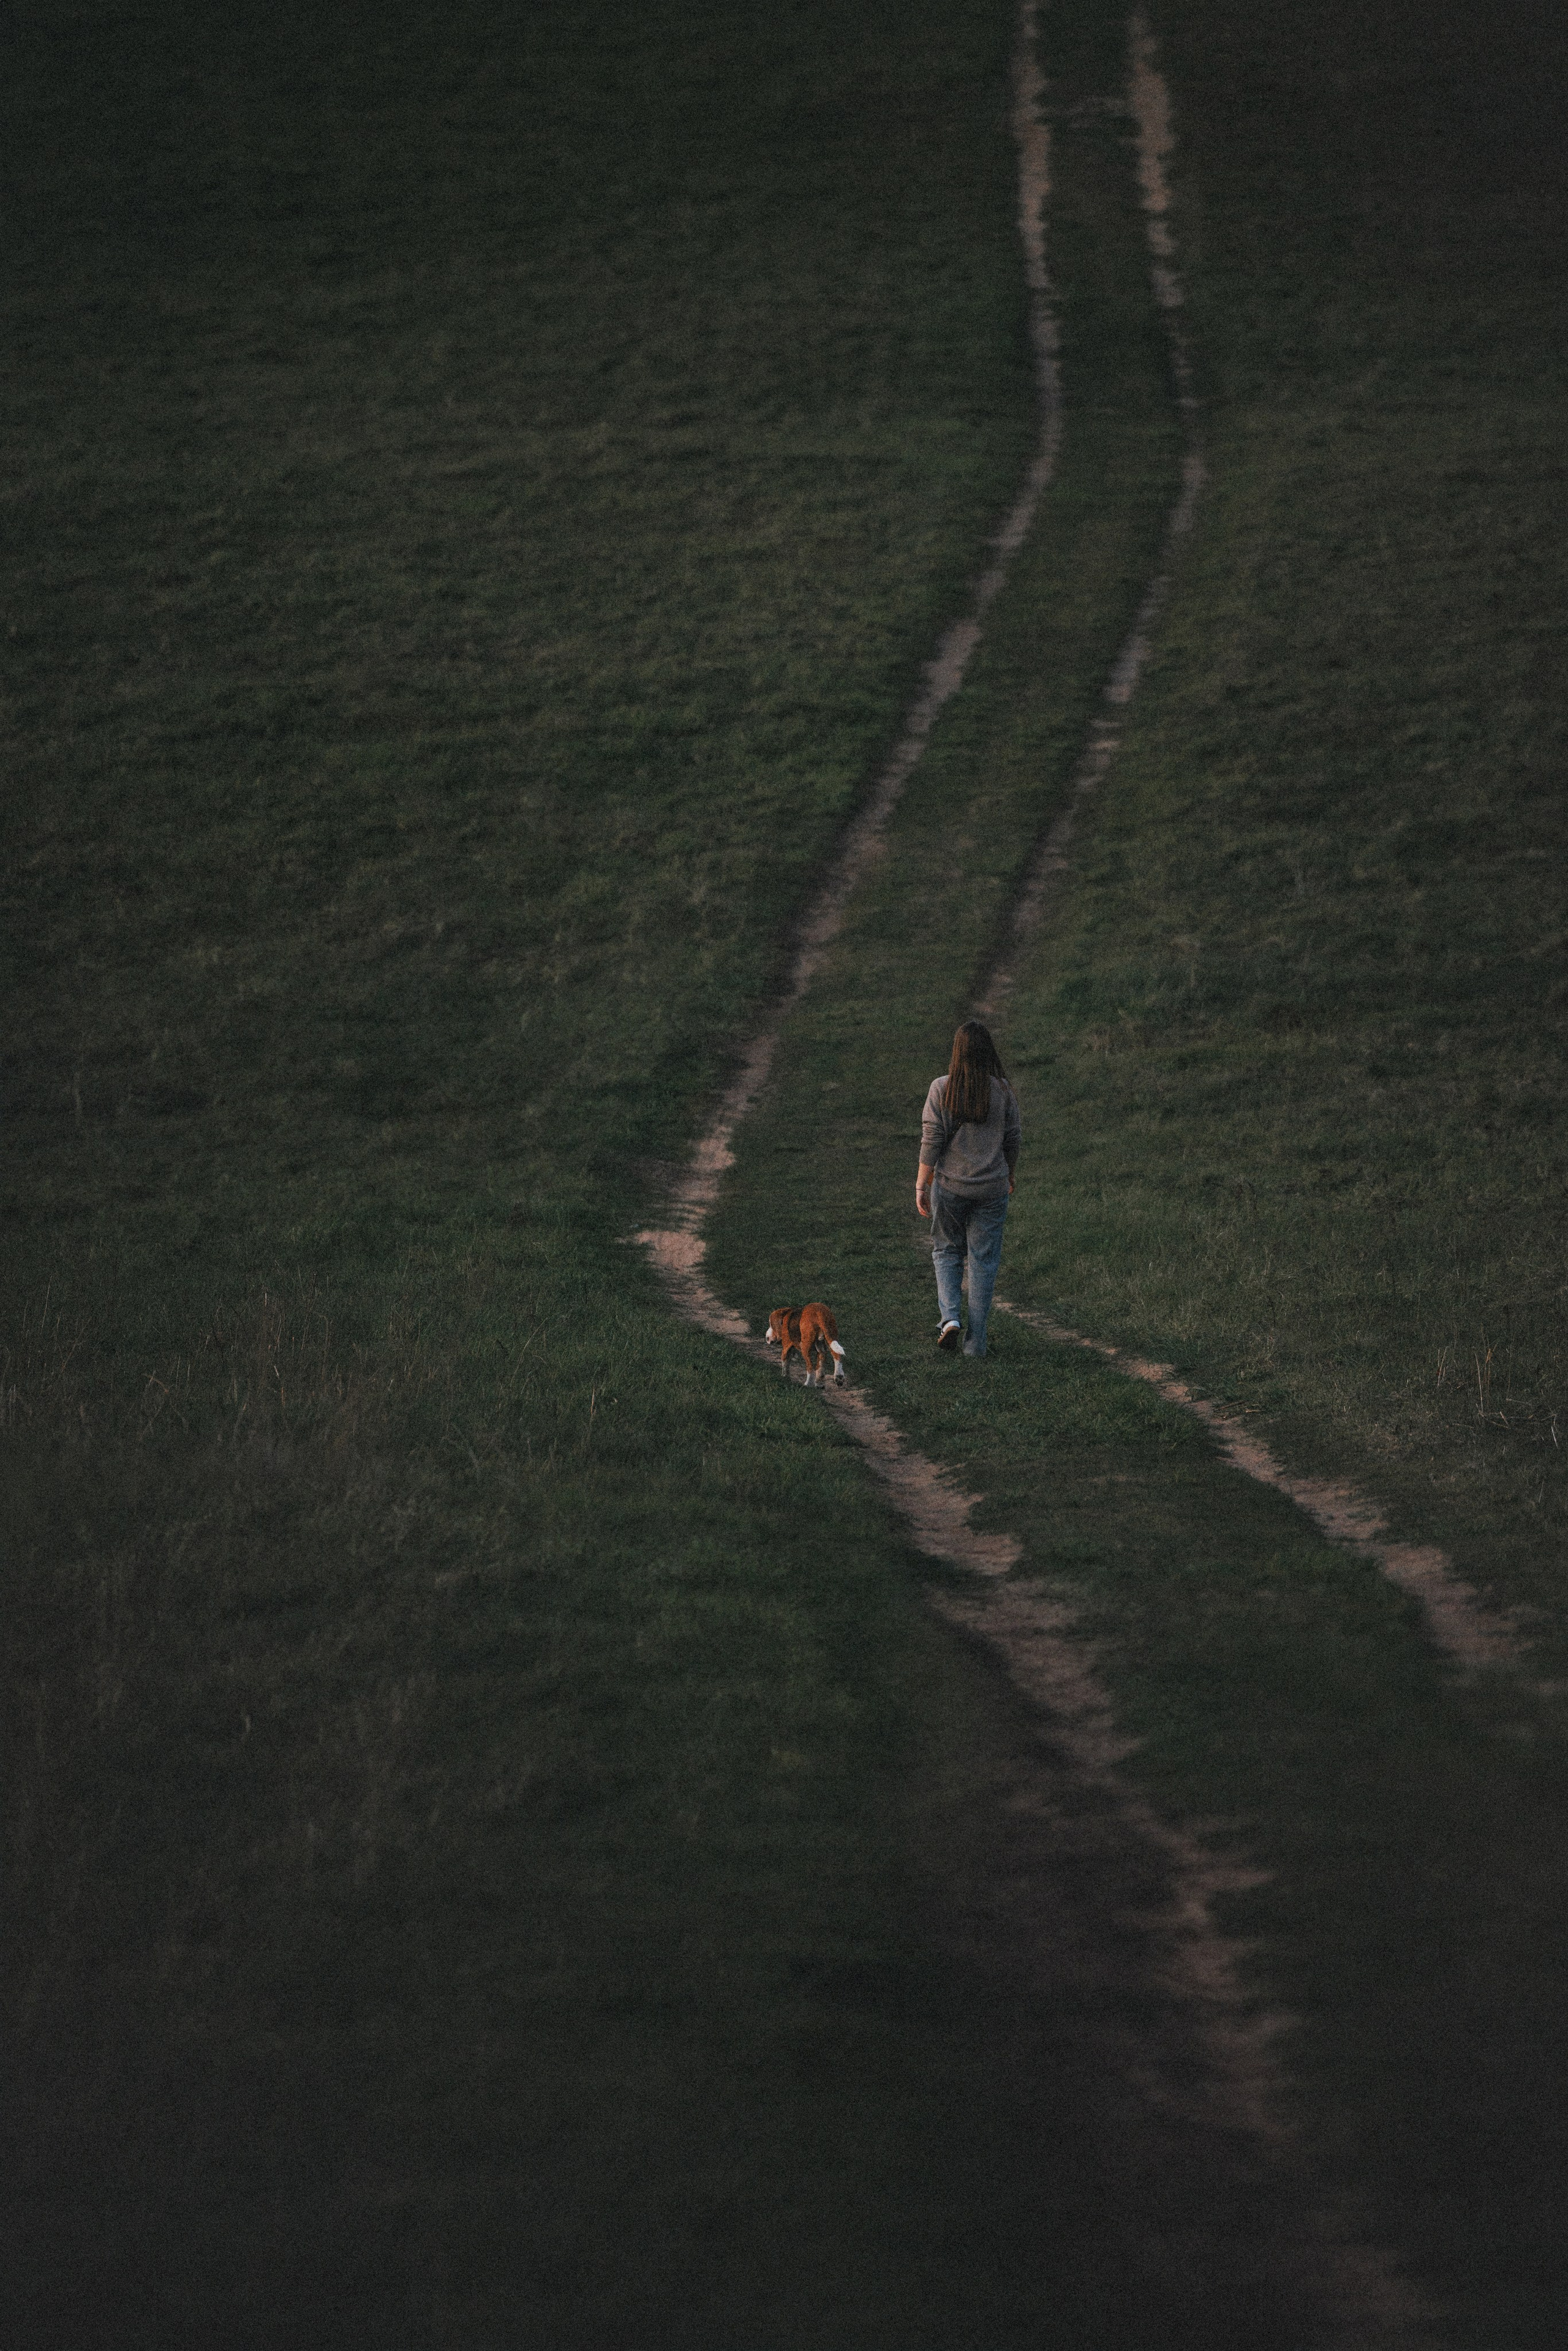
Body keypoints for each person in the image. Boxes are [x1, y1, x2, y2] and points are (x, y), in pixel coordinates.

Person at [914, 1020, 1020, 1357]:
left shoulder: (941, 1088)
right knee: (983, 1262)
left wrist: (921, 1184)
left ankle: (950, 1320)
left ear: (957, 1052)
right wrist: (1010, 1174)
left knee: (946, 1250)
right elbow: (1013, 1139)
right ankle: (977, 1344)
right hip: (992, 1188)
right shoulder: (1003, 1091)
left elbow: (932, 1140)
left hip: (949, 1188)